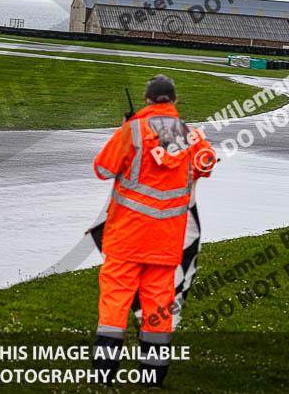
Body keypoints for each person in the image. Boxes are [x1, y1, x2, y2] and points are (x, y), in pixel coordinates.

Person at [91, 74, 216, 387]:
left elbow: (102, 169)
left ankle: (103, 374)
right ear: (174, 101)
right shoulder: (190, 136)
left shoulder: (132, 130)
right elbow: (206, 164)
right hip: (166, 241)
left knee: (114, 306)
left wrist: (124, 130)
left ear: (147, 100)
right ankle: (153, 376)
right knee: (158, 309)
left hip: (125, 239)